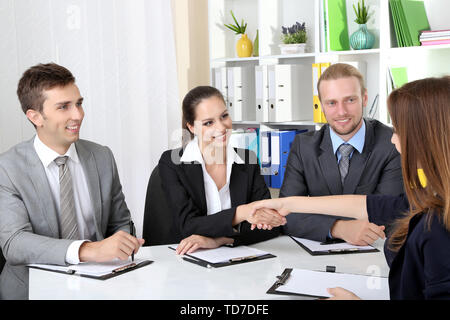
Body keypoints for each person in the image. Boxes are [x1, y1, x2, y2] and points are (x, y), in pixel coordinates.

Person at [251, 76, 450, 299]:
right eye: (331, 102)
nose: (394, 140)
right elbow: (372, 205)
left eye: (399, 130)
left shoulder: (438, 227)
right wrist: (285, 203)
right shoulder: (435, 201)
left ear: (425, 137)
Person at [0, 63, 145, 300]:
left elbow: (120, 222)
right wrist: (88, 250)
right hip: (32, 290)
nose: (77, 114)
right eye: (64, 107)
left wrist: (124, 242)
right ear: (35, 116)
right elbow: (15, 243)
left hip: (100, 284)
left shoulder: (102, 157)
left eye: (78, 103)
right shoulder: (7, 168)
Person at [281, 63, 404, 245]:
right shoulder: (303, 146)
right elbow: (286, 214)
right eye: (332, 103)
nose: (341, 112)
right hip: (315, 255)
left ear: (364, 98)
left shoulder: (393, 143)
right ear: (321, 105)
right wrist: (337, 228)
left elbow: (390, 213)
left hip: (375, 254)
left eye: (350, 100)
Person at [158, 86, 285, 256]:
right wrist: (243, 213)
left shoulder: (248, 159)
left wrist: (220, 240)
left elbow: (269, 227)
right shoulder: (172, 163)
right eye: (208, 123)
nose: (221, 127)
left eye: (224, 116)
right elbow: (187, 226)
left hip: (237, 259)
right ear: (191, 127)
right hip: (187, 259)